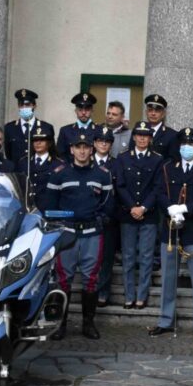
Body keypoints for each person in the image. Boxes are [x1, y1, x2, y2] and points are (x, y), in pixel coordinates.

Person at [40, 130, 113, 340]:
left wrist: (101, 219)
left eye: (86, 147)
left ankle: (88, 324)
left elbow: (109, 203)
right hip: (67, 235)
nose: (82, 151)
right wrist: (57, 225)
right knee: (63, 280)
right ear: (71, 149)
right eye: (78, 147)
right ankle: (59, 325)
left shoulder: (102, 174)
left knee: (91, 280)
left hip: (92, 234)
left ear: (92, 149)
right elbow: (50, 205)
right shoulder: (59, 173)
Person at [151, 128, 193, 338]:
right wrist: (170, 208)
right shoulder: (168, 168)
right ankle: (165, 320)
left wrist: (185, 208)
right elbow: (159, 192)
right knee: (168, 278)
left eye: (191, 144)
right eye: (184, 144)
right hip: (170, 229)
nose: (187, 147)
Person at [114, 122, 164, 309]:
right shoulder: (123, 158)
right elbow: (120, 185)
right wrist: (132, 207)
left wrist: (143, 207)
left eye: (146, 136)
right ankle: (129, 295)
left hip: (148, 214)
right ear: (134, 137)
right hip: (128, 214)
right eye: (139, 135)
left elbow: (158, 187)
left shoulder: (157, 159)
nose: (142, 139)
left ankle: (141, 295)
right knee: (128, 256)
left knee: (146, 256)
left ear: (150, 139)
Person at [92, 125, 119, 306]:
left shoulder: (116, 163)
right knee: (90, 257)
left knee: (107, 257)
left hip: (109, 217)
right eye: (100, 141)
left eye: (107, 141)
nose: (103, 144)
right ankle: (90, 290)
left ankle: (103, 291)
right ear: (94, 143)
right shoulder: (86, 161)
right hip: (88, 216)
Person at [3, 88, 53, 164]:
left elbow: (51, 151)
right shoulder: (9, 128)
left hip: (38, 168)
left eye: (27, 105)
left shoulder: (46, 127)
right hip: (17, 169)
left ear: (34, 106)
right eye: (21, 105)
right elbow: (8, 153)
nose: (24, 108)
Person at [56, 92, 98, 162]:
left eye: (87, 109)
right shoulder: (65, 131)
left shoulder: (99, 130)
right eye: (80, 109)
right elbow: (60, 155)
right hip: (69, 167)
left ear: (92, 111)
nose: (83, 113)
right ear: (75, 111)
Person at [24, 128, 58, 211]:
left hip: (48, 208)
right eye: (35, 140)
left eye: (42, 140)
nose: (38, 143)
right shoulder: (24, 162)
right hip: (28, 207)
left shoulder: (57, 164)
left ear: (49, 143)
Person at [142, 93, 178, 160]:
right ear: (146, 112)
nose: (153, 113)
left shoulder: (172, 135)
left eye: (157, 111)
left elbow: (172, 161)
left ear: (163, 114)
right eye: (150, 110)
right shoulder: (138, 132)